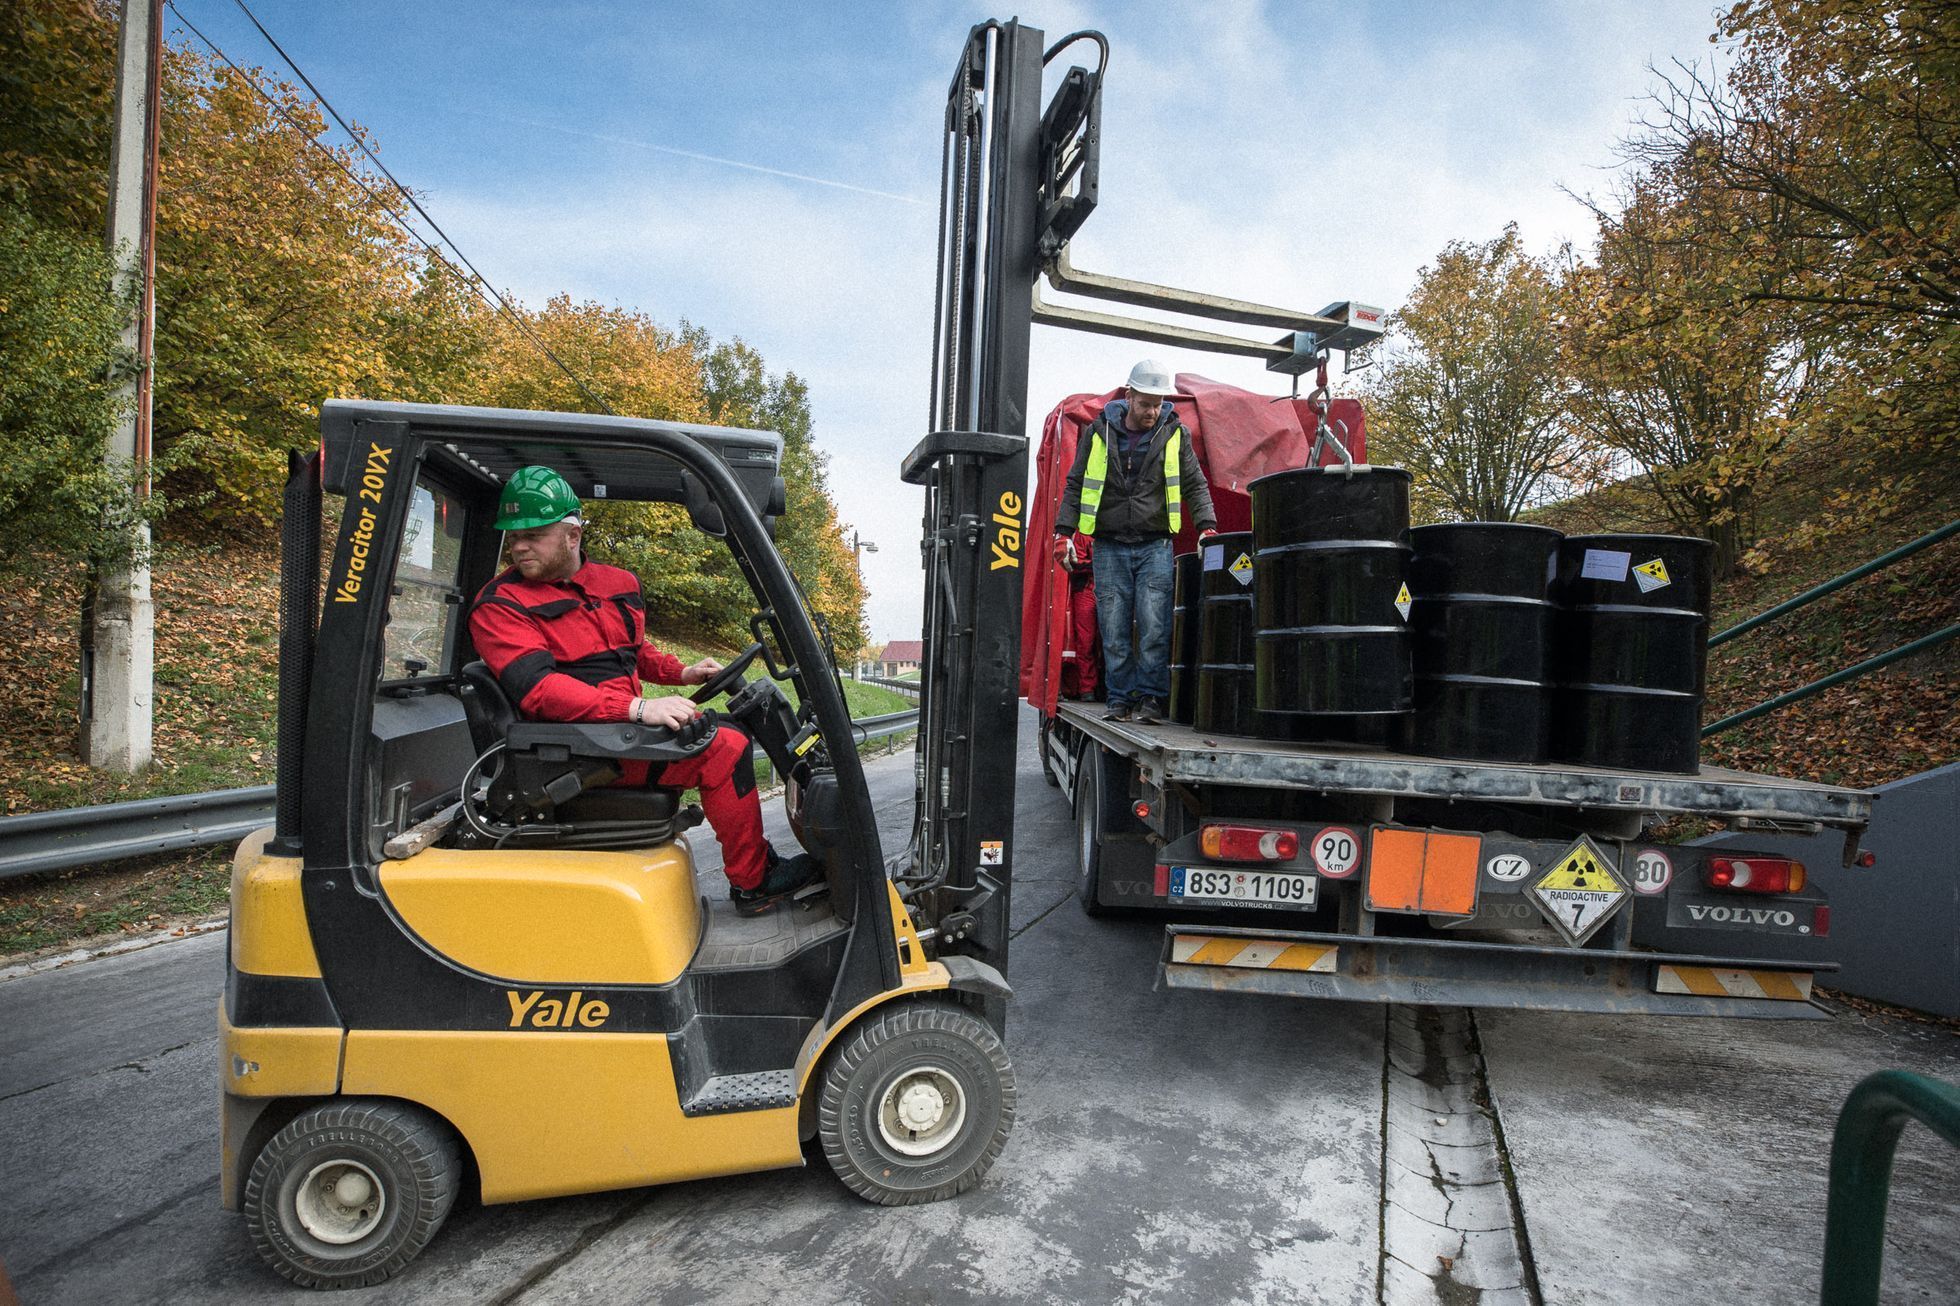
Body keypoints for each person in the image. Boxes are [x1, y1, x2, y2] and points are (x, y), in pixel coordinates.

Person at [468, 465, 818, 915]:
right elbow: (540, 691)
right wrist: (636, 708)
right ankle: (754, 882)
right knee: (724, 748)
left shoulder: (618, 584)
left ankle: (757, 868)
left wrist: (684, 672)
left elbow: (634, 651)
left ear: (572, 536)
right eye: (513, 534)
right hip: (577, 748)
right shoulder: (502, 605)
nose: (518, 545)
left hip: (616, 733)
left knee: (726, 725)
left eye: (534, 533)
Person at [1052, 360, 1217, 723]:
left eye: (1158, 404)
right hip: (1108, 546)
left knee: (1155, 625)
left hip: (1155, 546)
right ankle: (1120, 699)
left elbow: (1195, 483)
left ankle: (1151, 701)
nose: (1152, 411)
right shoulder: (1099, 433)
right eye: (1145, 403)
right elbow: (1076, 485)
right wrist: (1062, 534)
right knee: (1112, 627)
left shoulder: (1175, 435)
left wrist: (1207, 526)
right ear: (1129, 397)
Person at [1057, 530, 1100, 700]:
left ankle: (1105, 688)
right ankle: (1087, 688)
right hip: (1086, 590)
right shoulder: (1083, 533)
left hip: (1108, 588)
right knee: (1086, 641)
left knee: (1114, 641)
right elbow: (1075, 563)